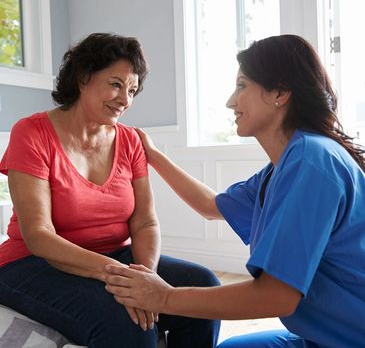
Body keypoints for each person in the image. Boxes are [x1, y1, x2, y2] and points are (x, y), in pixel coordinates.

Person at [104, 34, 365, 348]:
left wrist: (164, 297)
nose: (231, 101)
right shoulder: (284, 166)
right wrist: (155, 156)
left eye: (242, 86)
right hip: (319, 336)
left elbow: (276, 297)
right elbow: (210, 205)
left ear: (280, 92)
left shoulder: (312, 162)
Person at [0, 32, 220, 348]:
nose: (125, 100)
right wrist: (121, 276)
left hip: (114, 255)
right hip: (32, 263)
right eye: (116, 84)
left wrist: (145, 278)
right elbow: (38, 235)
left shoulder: (130, 140)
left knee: (203, 289)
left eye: (132, 90)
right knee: (128, 324)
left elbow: (145, 222)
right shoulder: (32, 132)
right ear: (83, 78)